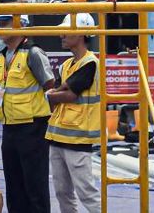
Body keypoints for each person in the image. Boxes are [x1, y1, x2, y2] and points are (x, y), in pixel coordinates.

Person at [0, 14, 55, 213]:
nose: (0, 27)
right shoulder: (1, 57)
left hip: (33, 128)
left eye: (5, 22)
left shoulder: (33, 54)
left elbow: (50, 86)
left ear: (22, 24)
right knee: (14, 185)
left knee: (35, 185)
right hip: (9, 128)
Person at [45, 13, 102, 213]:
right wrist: (57, 93)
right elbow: (63, 90)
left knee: (86, 192)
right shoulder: (66, 65)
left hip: (78, 138)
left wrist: (52, 95)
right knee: (62, 192)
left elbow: (70, 95)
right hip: (57, 136)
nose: (61, 34)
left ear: (81, 34)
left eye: (67, 30)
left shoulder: (90, 63)